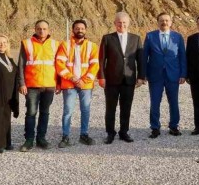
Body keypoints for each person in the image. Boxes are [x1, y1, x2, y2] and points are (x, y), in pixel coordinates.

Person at [98, 12, 145, 144]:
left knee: (126, 107)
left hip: (129, 79)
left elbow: (140, 59)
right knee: (110, 108)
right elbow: (101, 59)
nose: (122, 25)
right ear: (115, 23)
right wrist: (101, 77)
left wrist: (141, 76)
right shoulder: (107, 38)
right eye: (119, 22)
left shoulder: (136, 38)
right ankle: (110, 133)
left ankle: (124, 132)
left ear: (128, 23)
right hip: (111, 79)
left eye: (124, 22)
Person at [55, 20, 99, 148]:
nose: (80, 30)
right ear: (73, 30)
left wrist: (84, 80)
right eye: (77, 28)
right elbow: (59, 64)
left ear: (86, 30)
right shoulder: (65, 45)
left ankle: (84, 134)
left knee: (85, 110)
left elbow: (95, 65)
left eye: (82, 28)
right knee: (68, 110)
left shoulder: (92, 46)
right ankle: (65, 136)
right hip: (69, 84)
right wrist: (72, 78)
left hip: (86, 85)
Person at [143, 12, 187, 138]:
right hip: (155, 75)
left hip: (173, 75)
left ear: (171, 22)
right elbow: (144, 57)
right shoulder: (150, 36)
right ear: (157, 22)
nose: (164, 22)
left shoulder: (177, 37)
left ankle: (174, 126)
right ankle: (155, 127)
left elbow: (182, 56)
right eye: (161, 20)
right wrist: (143, 74)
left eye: (167, 20)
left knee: (173, 102)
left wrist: (183, 74)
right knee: (155, 102)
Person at [18, 20, 59, 151]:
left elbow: (59, 65)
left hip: (49, 85)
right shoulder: (27, 43)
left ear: (48, 30)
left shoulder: (55, 44)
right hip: (32, 85)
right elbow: (21, 65)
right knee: (31, 113)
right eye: (39, 28)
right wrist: (21, 83)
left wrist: (59, 83)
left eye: (44, 29)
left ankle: (41, 138)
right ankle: (29, 140)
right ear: (35, 29)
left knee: (45, 112)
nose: (42, 31)